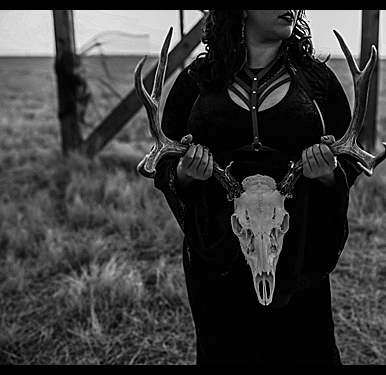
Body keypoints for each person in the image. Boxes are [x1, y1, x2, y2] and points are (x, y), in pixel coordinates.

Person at [153, 10, 362, 364]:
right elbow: (164, 161)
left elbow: (349, 162)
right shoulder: (196, 82)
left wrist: (327, 171)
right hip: (219, 256)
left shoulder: (317, 81)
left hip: (295, 252)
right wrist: (188, 172)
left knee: (306, 351)